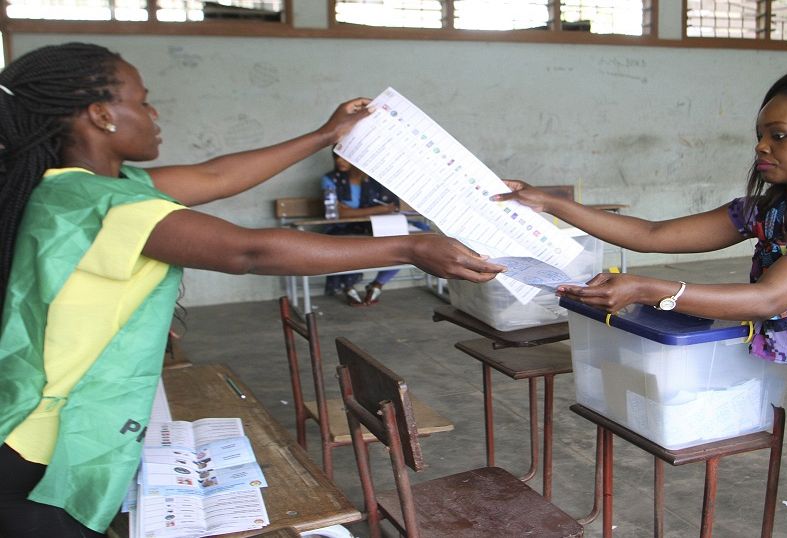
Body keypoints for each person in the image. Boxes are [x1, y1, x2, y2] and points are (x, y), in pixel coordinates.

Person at [0, 42, 502, 537]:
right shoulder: (104, 206)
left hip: (37, 415)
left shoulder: (80, 187)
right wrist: (408, 248)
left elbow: (217, 176)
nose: (155, 113)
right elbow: (249, 252)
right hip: (44, 445)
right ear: (101, 116)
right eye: (142, 99)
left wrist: (327, 133)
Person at [494, 68, 787, 537]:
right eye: (761, 134)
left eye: (779, 135)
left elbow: (768, 298)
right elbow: (651, 234)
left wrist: (652, 290)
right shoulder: (770, 210)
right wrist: (550, 204)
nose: (762, 146)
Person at [320, 155, 425, 306]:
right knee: (349, 240)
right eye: (336, 157)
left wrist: (355, 210)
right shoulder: (330, 179)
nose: (339, 161)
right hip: (343, 227)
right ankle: (348, 286)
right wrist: (376, 209)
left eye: (344, 157)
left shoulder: (375, 180)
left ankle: (378, 283)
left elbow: (392, 206)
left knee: (418, 233)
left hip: (375, 224)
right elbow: (334, 213)